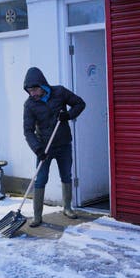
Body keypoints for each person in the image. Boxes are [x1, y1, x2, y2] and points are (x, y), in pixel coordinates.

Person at [23, 66, 86, 227]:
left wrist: (68, 115)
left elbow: (80, 103)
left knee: (66, 175)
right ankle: (37, 216)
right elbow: (28, 131)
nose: (32, 94)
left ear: (42, 86)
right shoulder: (30, 105)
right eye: (29, 91)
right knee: (40, 180)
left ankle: (67, 208)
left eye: (34, 90)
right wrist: (38, 149)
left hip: (63, 144)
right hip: (44, 148)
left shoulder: (59, 92)